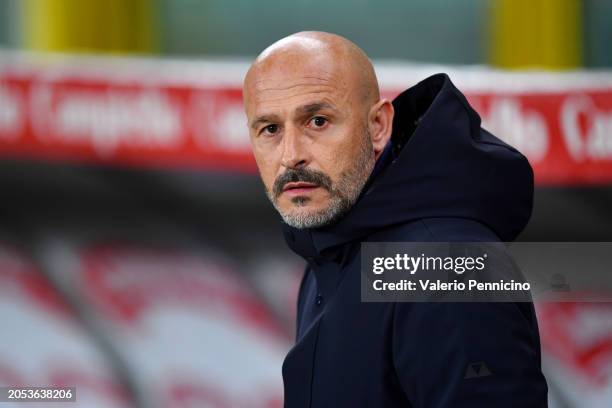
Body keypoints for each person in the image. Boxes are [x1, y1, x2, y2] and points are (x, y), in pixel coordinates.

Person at [243, 31, 548, 407]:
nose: (291, 155)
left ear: (378, 127)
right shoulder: (329, 243)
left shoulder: (447, 268)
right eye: (270, 129)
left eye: (317, 121)